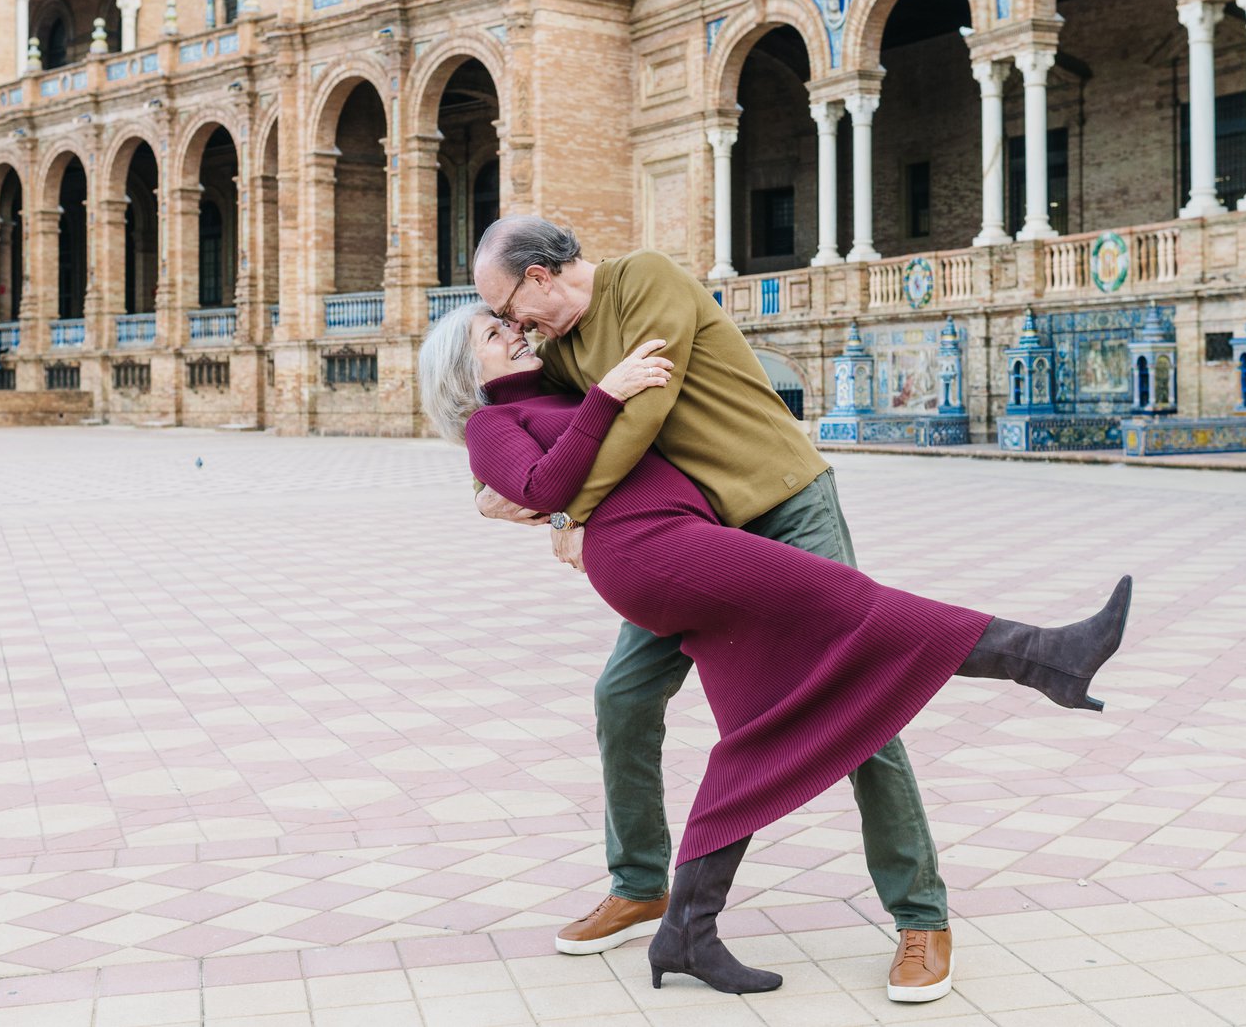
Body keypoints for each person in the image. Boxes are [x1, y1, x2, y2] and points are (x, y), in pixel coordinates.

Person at [460, 217, 1124, 1000]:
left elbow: (638, 417)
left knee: (858, 688)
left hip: (783, 502)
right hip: (689, 541)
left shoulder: (643, 279)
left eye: (507, 304)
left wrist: (569, 513)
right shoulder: (560, 349)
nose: (513, 323)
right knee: (622, 695)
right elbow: (534, 443)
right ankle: (641, 885)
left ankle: (921, 915)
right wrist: (501, 496)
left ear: (539, 276)